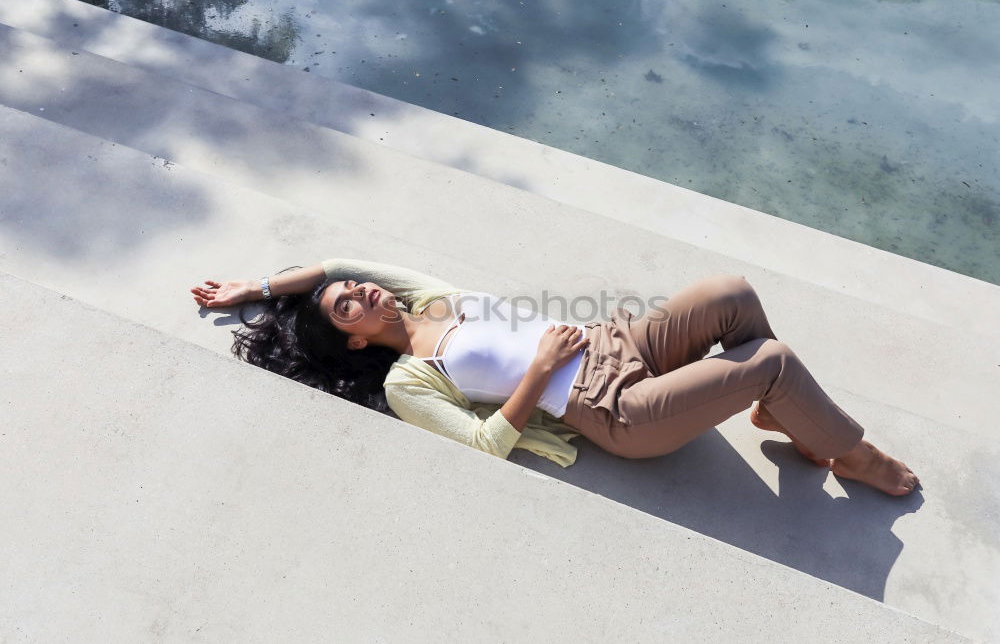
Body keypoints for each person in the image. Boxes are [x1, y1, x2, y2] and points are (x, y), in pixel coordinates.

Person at [191, 258, 919, 497]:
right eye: (348, 303)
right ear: (350, 340)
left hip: (618, 343)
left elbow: (327, 260)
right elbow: (481, 443)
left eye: (359, 286)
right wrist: (537, 371)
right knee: (770, 360)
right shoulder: (408, 380)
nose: (362, 291)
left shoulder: (421, 295)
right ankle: (847, 453)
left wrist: (256, 289)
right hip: (612, 408)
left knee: (730, 294)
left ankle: (780, 412)